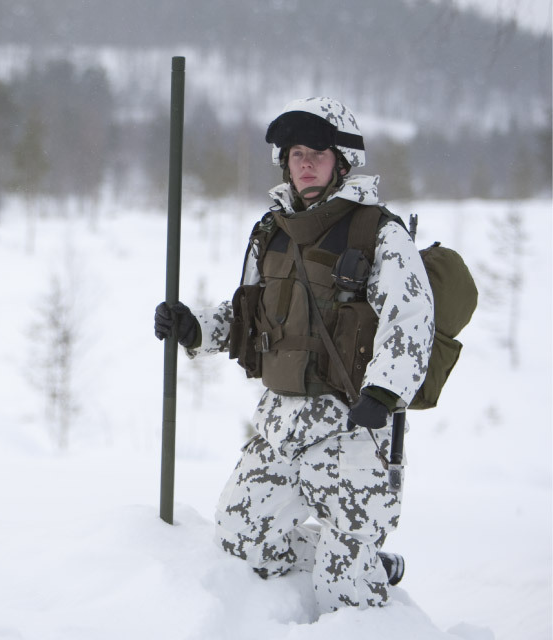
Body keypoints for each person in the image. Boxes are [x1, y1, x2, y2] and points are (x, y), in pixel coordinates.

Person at [154, 97, 434, 614]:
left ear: (343, 162)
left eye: (317, 152)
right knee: (241, 542)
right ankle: (361, 559)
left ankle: (358, 569)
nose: (304, 162)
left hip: (353, 432)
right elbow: (249, 314)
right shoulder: (271, 231)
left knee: (344, 590)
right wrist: (196, 329)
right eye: (295, 152)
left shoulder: (380, 234)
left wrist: (384, 392)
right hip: (280, 428)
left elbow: (411, 321)